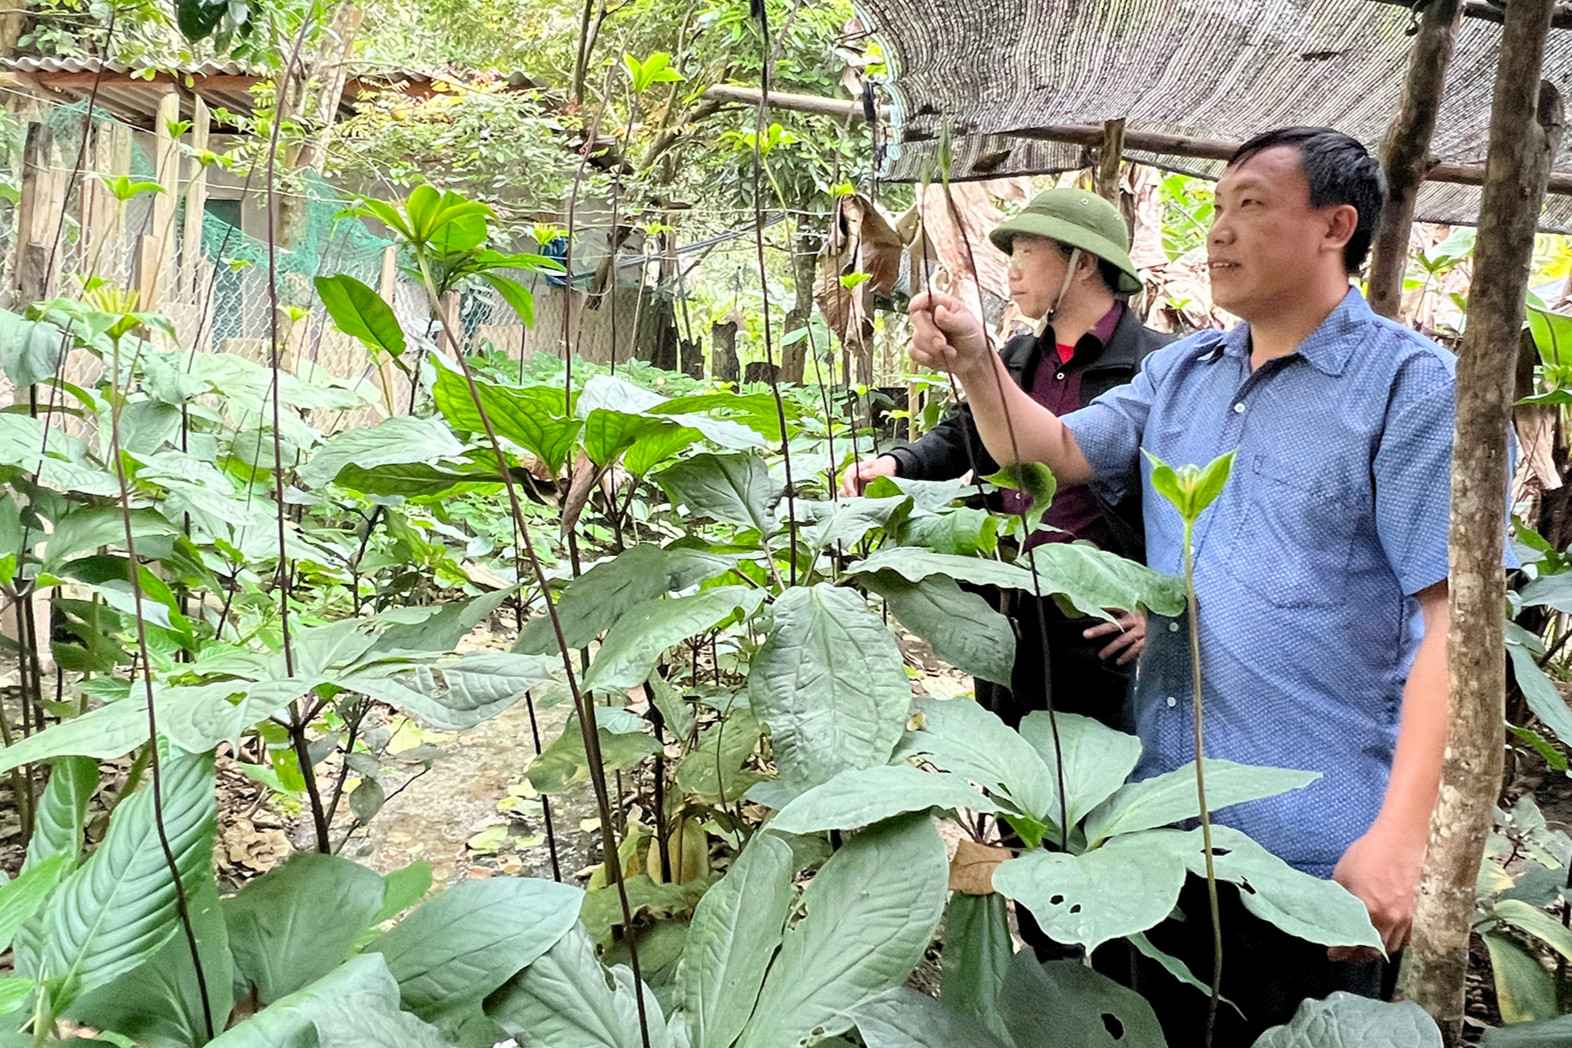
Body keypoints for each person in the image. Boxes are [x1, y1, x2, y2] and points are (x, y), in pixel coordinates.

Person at [910, 128, 1469, 1044]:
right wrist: (976, 360)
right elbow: (1047, 449)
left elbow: (1453, 628)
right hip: (1157, 834)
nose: (1217, 230)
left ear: (1336, 225)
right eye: (1214, 207)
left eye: (1249, 204)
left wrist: (1402, 840)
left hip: (1314, 856)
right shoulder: (1183, 373)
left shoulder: (1411, 389)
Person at [840, 188, 1169, 729]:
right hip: (1004, 607)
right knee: (1008, 784)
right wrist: (896, 464)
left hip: (1098, 627)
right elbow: (962, 436)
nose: (1011, 270)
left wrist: (1159, 611)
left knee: (1094, 792)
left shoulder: (1154, 366)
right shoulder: (1016, 358)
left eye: (1025, 252)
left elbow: (1199, 503)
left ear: (1081, 262)